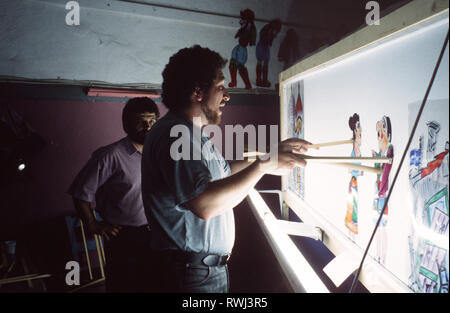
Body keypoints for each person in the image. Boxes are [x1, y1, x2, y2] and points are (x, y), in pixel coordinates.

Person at [141, 45, 310, 293]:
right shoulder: (174, 135)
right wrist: (263, 166)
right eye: (220, 86)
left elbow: (223, 173)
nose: (226, 95)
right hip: (191, 275)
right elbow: (205, 204)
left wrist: (268, 156)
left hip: (199, 271)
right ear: (197, 93)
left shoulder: (190, 132)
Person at [68, 97, 160, 292]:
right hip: (124, 237)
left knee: (153, 285)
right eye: (140, 122)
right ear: (126, 125)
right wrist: (93, 225)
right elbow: (80, 193)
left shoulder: (160, 154)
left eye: (152, 121)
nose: (148, 127)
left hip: (158, 234)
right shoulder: (109, 155)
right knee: (124, 286)